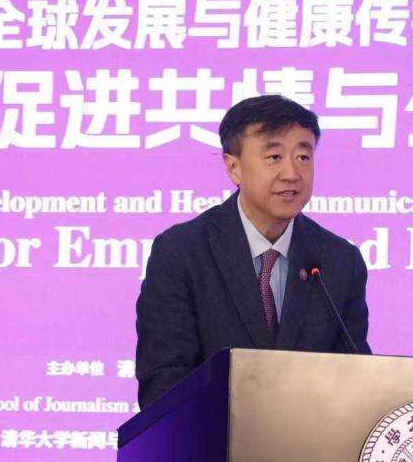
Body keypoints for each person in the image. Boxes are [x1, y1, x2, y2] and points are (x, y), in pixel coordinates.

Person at [134, 95, 371, 409]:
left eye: (303, 156)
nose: (292, 173)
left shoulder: (339, 261)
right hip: (212, 438)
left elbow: (356, 379)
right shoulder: (182, 253)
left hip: (309, 439)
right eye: (274, 157)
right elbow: (163, 383)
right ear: (234, 168)